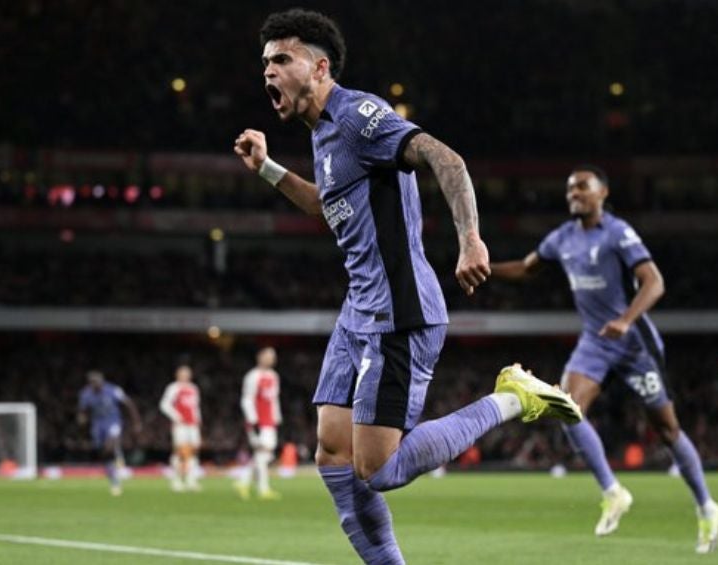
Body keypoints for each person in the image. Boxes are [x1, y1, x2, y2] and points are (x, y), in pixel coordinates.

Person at [234, 9, 581, 564]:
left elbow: (446, 158)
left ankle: (513, 398)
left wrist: (471, 238)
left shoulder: (357, 115)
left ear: (320, 68)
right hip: (359, 310)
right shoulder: (323, 137)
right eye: (265, 63)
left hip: (400, 310)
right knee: (331, 452)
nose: (268, 73)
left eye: (282, 60)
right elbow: (332, 213)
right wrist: (269, 169)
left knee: (379, 469)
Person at [489, 165, 718, 553]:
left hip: (635, 343)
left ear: (602, 193)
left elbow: (655, 282)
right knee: (566, 406)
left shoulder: (618, 232)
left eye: (582, 187)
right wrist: (487, 270)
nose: (573, 194)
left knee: (666, 430)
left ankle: (706, 506)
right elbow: (527, 268)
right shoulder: (561, 239)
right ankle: (613, 492)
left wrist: (626, 320)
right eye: (569, 189)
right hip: (595, 341)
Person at [77, 370, 142, 496]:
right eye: (94, 383)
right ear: (90, 384)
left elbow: (128, 403)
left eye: (99, 382)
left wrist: (136, 421)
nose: (97, 385)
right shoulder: (86, 394)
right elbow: (82, 411)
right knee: (105, 454)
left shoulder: (113, 390)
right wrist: (82, 420)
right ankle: (114, 481)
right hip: (98, 425)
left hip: (113, 422)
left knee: (110, 445)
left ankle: (117, 455)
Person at [235, 347, 283, 500]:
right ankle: (263, 488)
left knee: (265, 455)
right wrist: (252, 420)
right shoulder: (253, 376)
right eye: (268, 356)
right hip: (258, 421)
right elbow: (247, 399)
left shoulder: (274, 376)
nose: (271, 359)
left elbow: (274, 400)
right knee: (263, 453)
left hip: (269, 421)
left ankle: (243, 482)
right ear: (260, 357)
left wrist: (276, 417)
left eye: (273, 356)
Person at [159, 364, 202, 492]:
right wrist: (176, 416)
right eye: (183, 373)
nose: (185, 376)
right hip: (181, 425)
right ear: (177, 375)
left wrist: (198, 420)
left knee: (193, 451)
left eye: (187, 373)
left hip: (192, 425)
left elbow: (195, 407)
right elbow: (164, 404)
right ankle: (176, 480)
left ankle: (191, 479)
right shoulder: (173, 388)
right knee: (180, 452)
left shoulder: (194, 388)